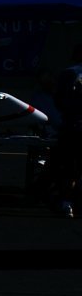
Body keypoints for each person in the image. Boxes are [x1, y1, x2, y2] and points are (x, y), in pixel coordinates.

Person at [52, 45, 82, 218]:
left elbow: (59, 101)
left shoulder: (68, 73)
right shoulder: (70, 74)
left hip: (72, 127)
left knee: (69, 167)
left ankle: (66, 202)